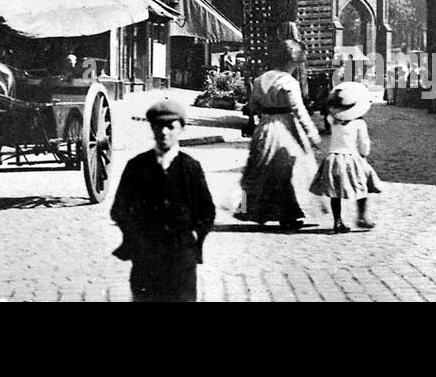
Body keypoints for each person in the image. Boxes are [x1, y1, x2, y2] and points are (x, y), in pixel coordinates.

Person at [110, 99, 216, 302]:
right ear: (151, 127)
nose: (164, 132)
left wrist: (194, 238)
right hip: (146, 256)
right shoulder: (137, 166)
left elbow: (206, 210)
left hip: (182, 257)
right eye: (158, 126)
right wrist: (136, 237)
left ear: (181, 129)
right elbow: (119, 209)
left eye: (170, 126)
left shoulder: (190, 167)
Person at [238, 38, 321, 229]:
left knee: (259, 170)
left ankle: (251, 210)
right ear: (293, 61)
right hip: (284, 128)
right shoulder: (288, 81)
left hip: (265, 127)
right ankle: (288, 215)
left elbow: (252, 106)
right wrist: (312, 134)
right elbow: (298, 110)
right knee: (289, 171)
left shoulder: (261, 79)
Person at [310, 81, 383, 232]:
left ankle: (337, 221)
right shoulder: (359, 124)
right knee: (361, 186)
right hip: (351, 157)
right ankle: (362, 217)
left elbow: (332, 114)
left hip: (333, 158)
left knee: (334, 192)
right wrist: (364, 154)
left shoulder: (333, 121)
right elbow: (364, 145)